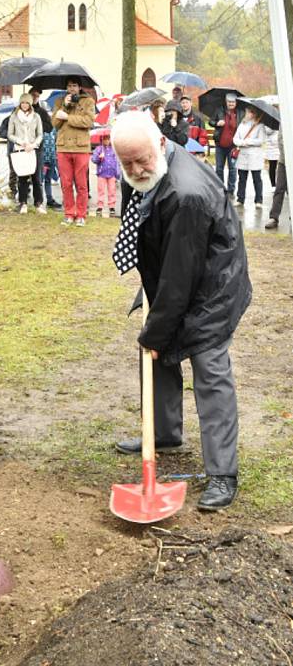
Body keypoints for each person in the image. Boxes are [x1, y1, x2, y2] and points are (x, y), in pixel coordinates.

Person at [111, 111, 251, 510]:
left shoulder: (187, 193)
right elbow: (147, 235)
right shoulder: (144, 173)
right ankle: (164, 434)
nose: (136, 170)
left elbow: (180, 276)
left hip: (212, 290)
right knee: (156, 355)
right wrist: (153, 306)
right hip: (176, 276)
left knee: (209, 370)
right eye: (127, 163)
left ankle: (223, 473)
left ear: (160, 142)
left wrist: (156, 331)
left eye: (142, 160)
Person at [52, 77, 95, 226]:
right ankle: (69, 214)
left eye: (74, 86)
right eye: (69, 86)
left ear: (79, 87)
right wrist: (64, 106)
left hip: (81, 147)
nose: (71, 89)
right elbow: (55, 123)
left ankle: (81, 215)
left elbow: (88, 122)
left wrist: (68, 117)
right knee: (66, 183)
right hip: (63, 147)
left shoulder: (88, 101)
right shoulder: (59, 101)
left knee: (82, 184)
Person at [7, 94, 44, 215]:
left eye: (27, 103)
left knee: (36, 177)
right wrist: (20, 141)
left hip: (33, 149)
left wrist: (34, 144)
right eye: (22, 102)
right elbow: (10, 134)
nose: (24, 105)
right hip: (20, 149)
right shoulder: (14, 116)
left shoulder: (36, 116)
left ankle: (38, 203)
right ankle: (23, 203)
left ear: (30, 104)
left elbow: (40, 134)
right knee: (22, 177)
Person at [208, 94, 244, 197]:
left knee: (232, 168)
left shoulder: (240, 113)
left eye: (233, 102)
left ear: (236, 103)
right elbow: (211, 121)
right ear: (226, 102)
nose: (231, 104)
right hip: (220, 144)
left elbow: (243, 126)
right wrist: (216, 123)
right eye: (229, 102)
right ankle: (220, 188)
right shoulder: (219, 110)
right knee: (219, 168)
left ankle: (231, 190)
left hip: (233, 146)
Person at [233, 105, 265, 209]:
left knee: (257, 178)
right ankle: (240, 199)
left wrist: (248, 142)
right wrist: (242, 143)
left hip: (255, 155)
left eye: (248, 112)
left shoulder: (260, 125)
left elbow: (261, 140)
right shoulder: (242, 124)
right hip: (243, 154)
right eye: (246, 112)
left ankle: (258, 200)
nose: (245, 114)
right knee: (242, 178)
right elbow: (235, 138)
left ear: (253, 114)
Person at [91, 131, 121, 217]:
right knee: (101, 190)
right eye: (105, 139)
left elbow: (117, 162)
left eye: (108, 139)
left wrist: (117, 173)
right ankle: (100, 206)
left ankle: (111, 206)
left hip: (111, 174)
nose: (107, 141)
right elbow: (93, 160)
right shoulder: (99, 149)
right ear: (102, 139)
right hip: (102, 173)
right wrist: (99, 157)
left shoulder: (114, 150)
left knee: (112, 190)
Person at [265, 120, 287, 229]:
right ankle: (274, 217)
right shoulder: (285, 118)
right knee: (279, 188)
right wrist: (287, 156)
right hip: (285, 161)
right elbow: (281, 139)